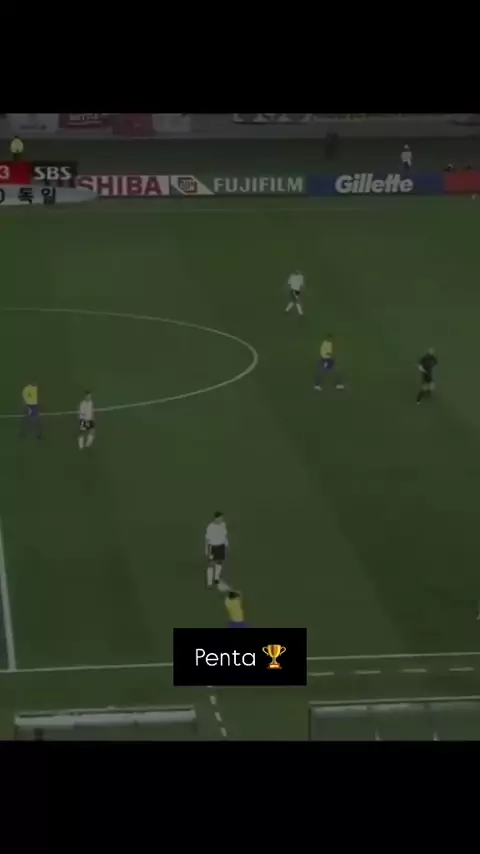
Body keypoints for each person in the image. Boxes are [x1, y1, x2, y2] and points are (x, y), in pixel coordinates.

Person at [205, 511, 228, 588]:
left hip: (221, 546)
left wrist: (226, 544)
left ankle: (216, 578)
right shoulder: (210, 527)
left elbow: (224, 535)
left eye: (222, 518)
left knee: (220, 562)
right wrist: (206, 549)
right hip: (212, 547)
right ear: (215, 518)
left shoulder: (223, 524)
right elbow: (207, 539)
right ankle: (209, 583)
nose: (221, 519)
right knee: (211, 564)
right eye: (220, 518)